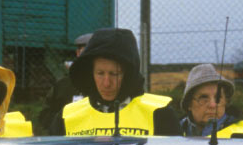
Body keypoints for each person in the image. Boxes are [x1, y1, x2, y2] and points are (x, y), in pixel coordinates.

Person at [49, 28, 179, 136]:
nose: (107, 83)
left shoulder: (159, 113)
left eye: (114, 74)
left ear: (129, 75)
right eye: (100, 73)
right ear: (90, 74)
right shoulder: (67, 117)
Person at [177, 63, 243, 138]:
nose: (213, 105)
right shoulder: (173, 132)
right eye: (203, 98)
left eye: (218, 98)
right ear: (189, 104)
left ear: (226, 102)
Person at [35, 32, 92, 133]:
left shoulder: (107, 84)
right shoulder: (62, 85)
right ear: (78, 53)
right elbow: (45, 115)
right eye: (85, 52)